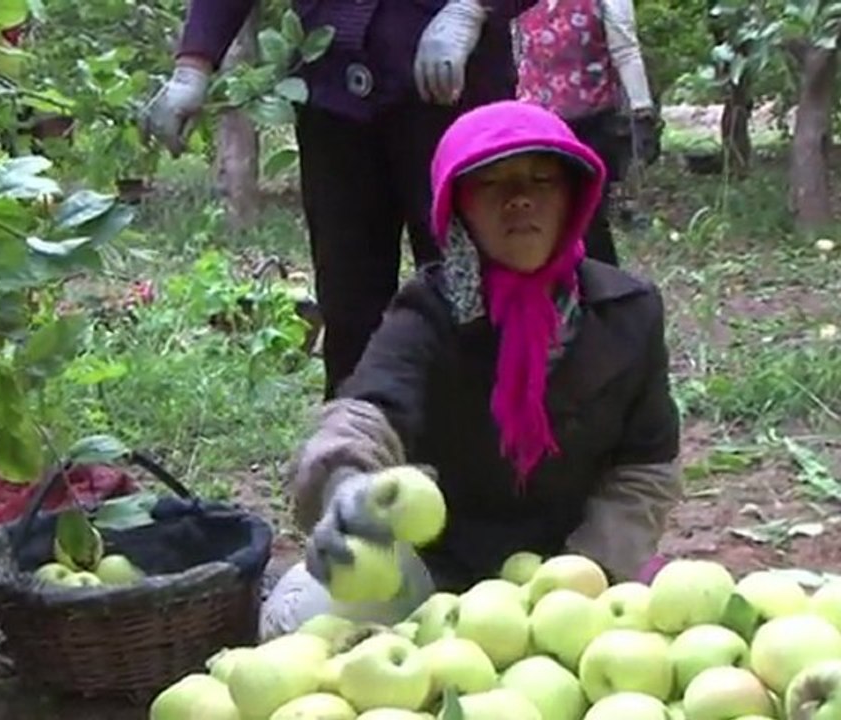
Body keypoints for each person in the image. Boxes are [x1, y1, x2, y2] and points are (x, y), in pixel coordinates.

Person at [259, 100, 681, 639]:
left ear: (574, 198)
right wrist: (348, 490)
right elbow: (367, 415)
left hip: (575, 572)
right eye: (492, 184)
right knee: (308, 619)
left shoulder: (628, 311)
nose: (520, 198)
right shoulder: (429, 310)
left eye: (542, 179)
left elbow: (646, 467)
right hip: (440, 568)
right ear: (458, 210)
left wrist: (586, 576)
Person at [139, 0, 535, 399]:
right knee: (349, 307)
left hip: (454, 92)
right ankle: (355, 448)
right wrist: (194, 64)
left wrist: (470, 8)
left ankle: (488, 444)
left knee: (471, 296)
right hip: (333, 100)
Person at [515, 0, 661, 266]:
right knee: (540, 214)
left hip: (589, 123)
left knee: (587, 218)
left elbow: (626, 51)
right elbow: (518, 53)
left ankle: (603, 293)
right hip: (534, 126)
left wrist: (642, 112)